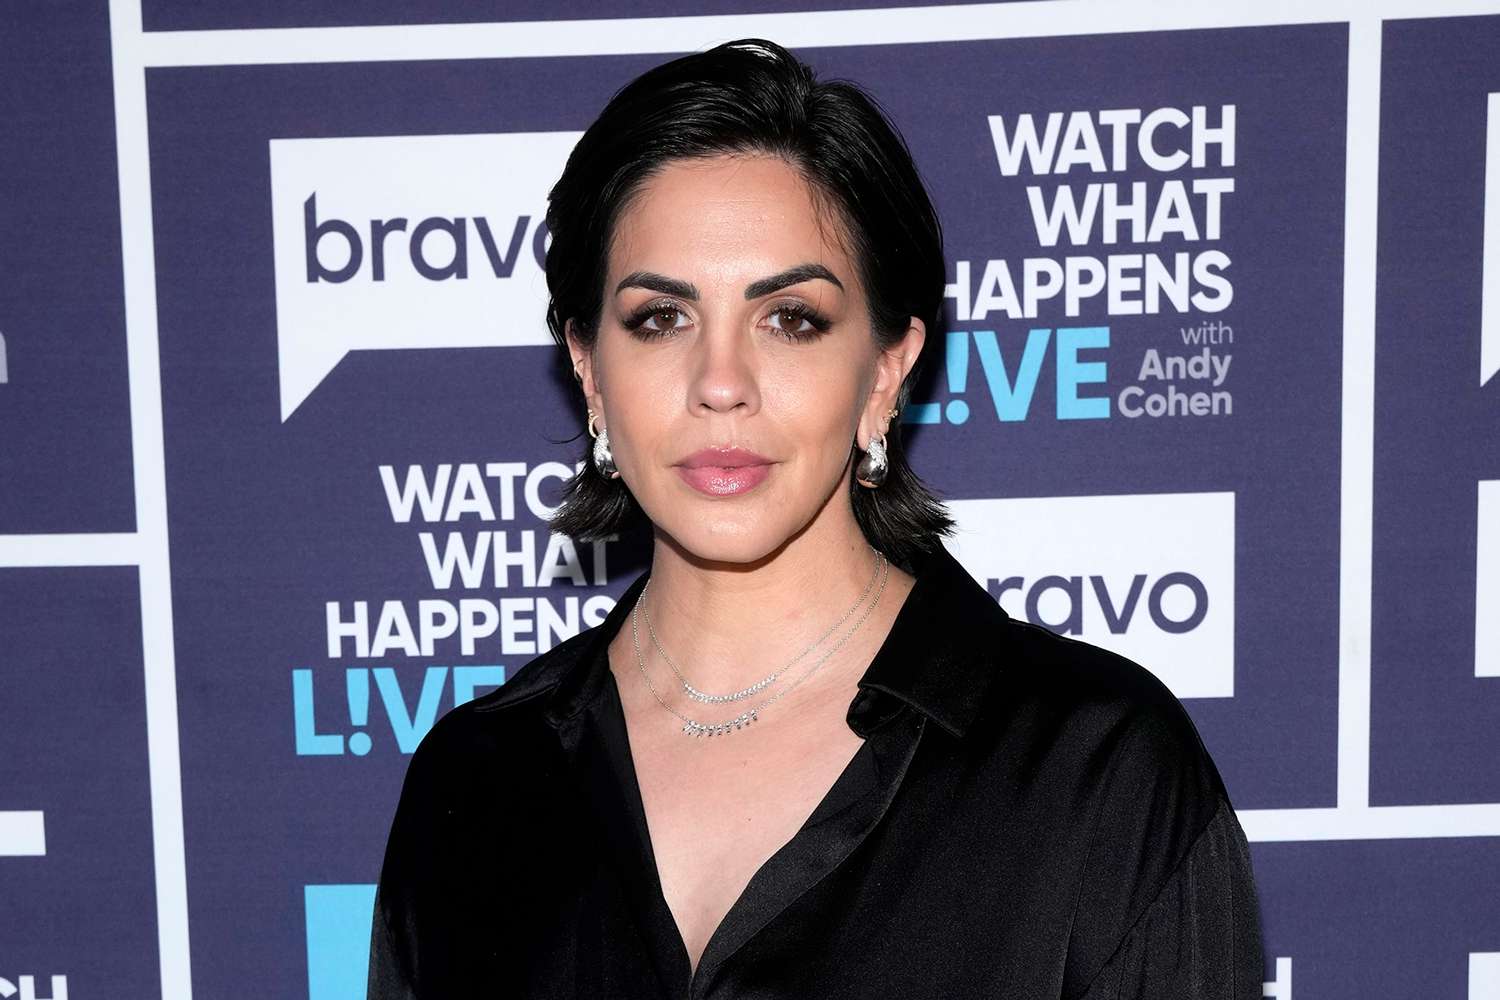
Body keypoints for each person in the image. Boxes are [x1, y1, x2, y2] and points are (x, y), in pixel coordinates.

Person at [367, 37, 1264, 1000]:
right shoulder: (476, 783)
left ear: (885, 371)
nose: (721, 383)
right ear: (589, 369)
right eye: (661, 318)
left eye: (790, 318)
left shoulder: (1099, 773)